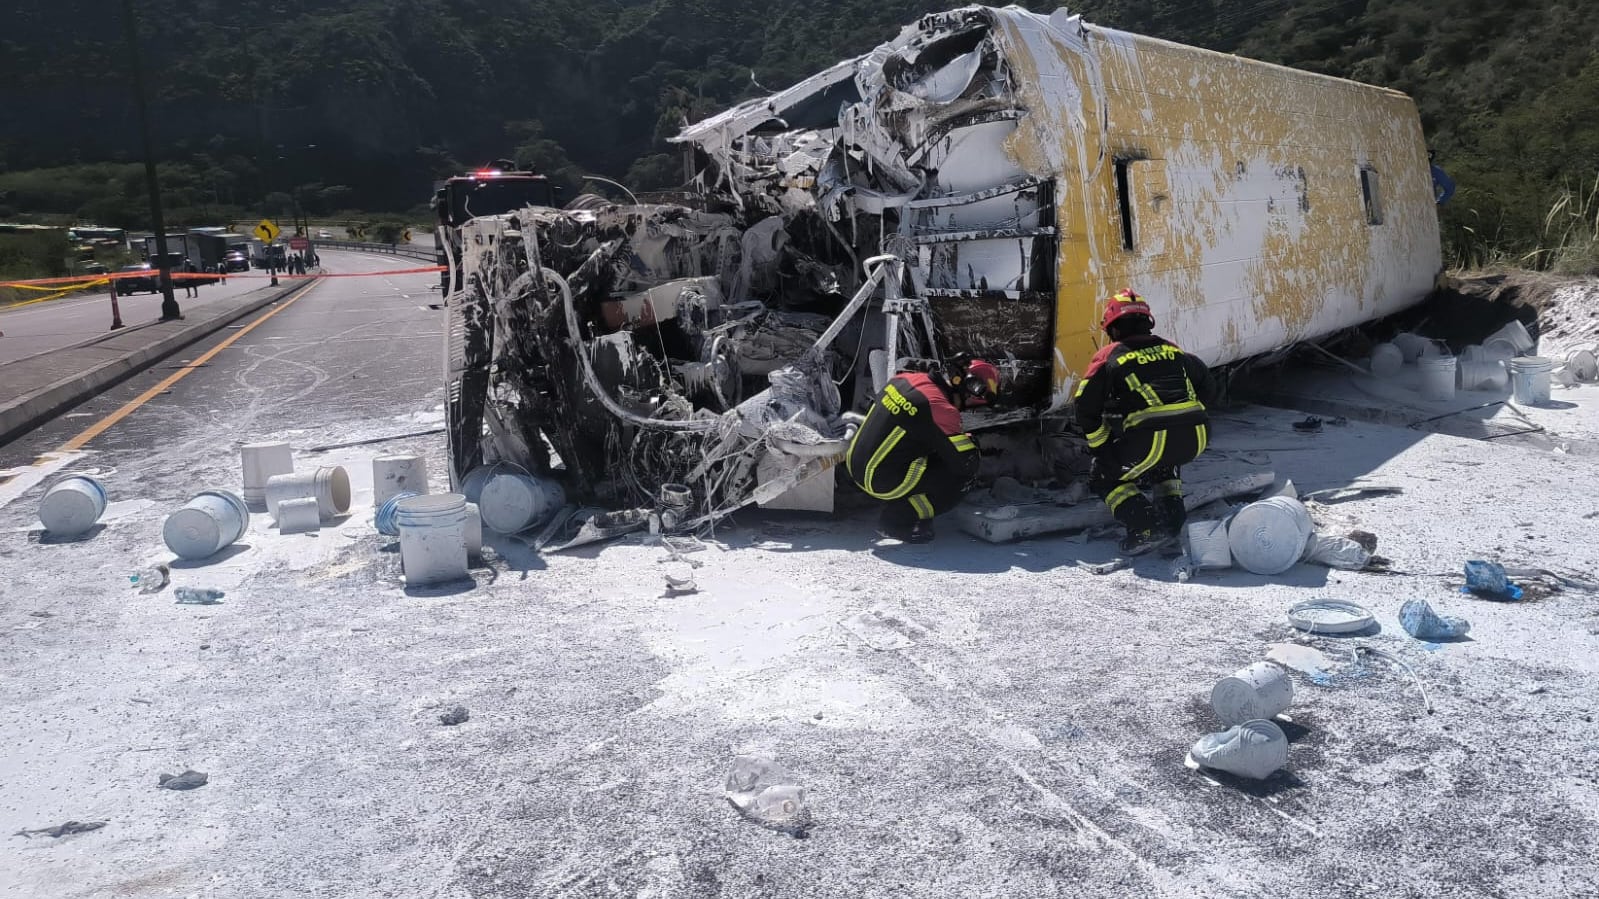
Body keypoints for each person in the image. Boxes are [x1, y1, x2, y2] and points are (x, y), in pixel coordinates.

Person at [1074, 289, 1216, 555]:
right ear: (1147, 322)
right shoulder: (1172, 349)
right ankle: (1172, 525)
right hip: (1197, 436)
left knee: (1104, 476)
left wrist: (1103, 450)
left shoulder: (1110, 355)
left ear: (1113, 329)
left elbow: (1084, 408)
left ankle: (1145, 529)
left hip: (1150, 438)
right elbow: (1208, 386)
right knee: (1164, 464)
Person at [846, 357, 999, 543]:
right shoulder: (942, 410)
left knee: (936, 444)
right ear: (970, 391)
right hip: (880, 482)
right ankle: (898, 520)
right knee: (961, 476)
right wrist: (971, 443)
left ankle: (898, 504)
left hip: (855, 464)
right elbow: (966, 464)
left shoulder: (908, 379)